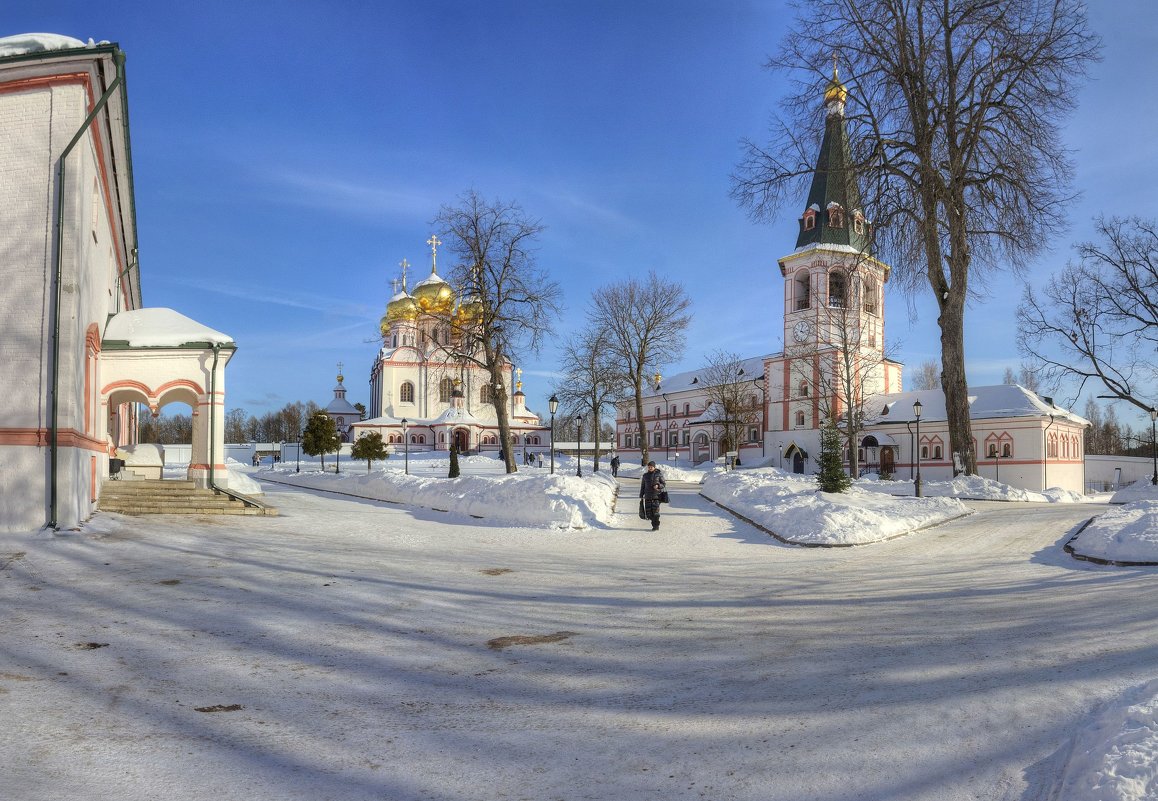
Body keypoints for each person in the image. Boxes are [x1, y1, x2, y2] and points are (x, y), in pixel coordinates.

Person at [639, 460, 666, 531]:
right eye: (649, 467)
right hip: (647, 496)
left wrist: (658, 485)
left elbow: (664, 484)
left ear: (654, 467)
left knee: (656, 512)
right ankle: (654, 523)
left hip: (656, 496)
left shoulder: (659, 474)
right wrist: (641, 495)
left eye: (651, 467)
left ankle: (656, 526)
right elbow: (643, 486)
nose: (650, 468)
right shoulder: (645, 476)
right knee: (649, 513)